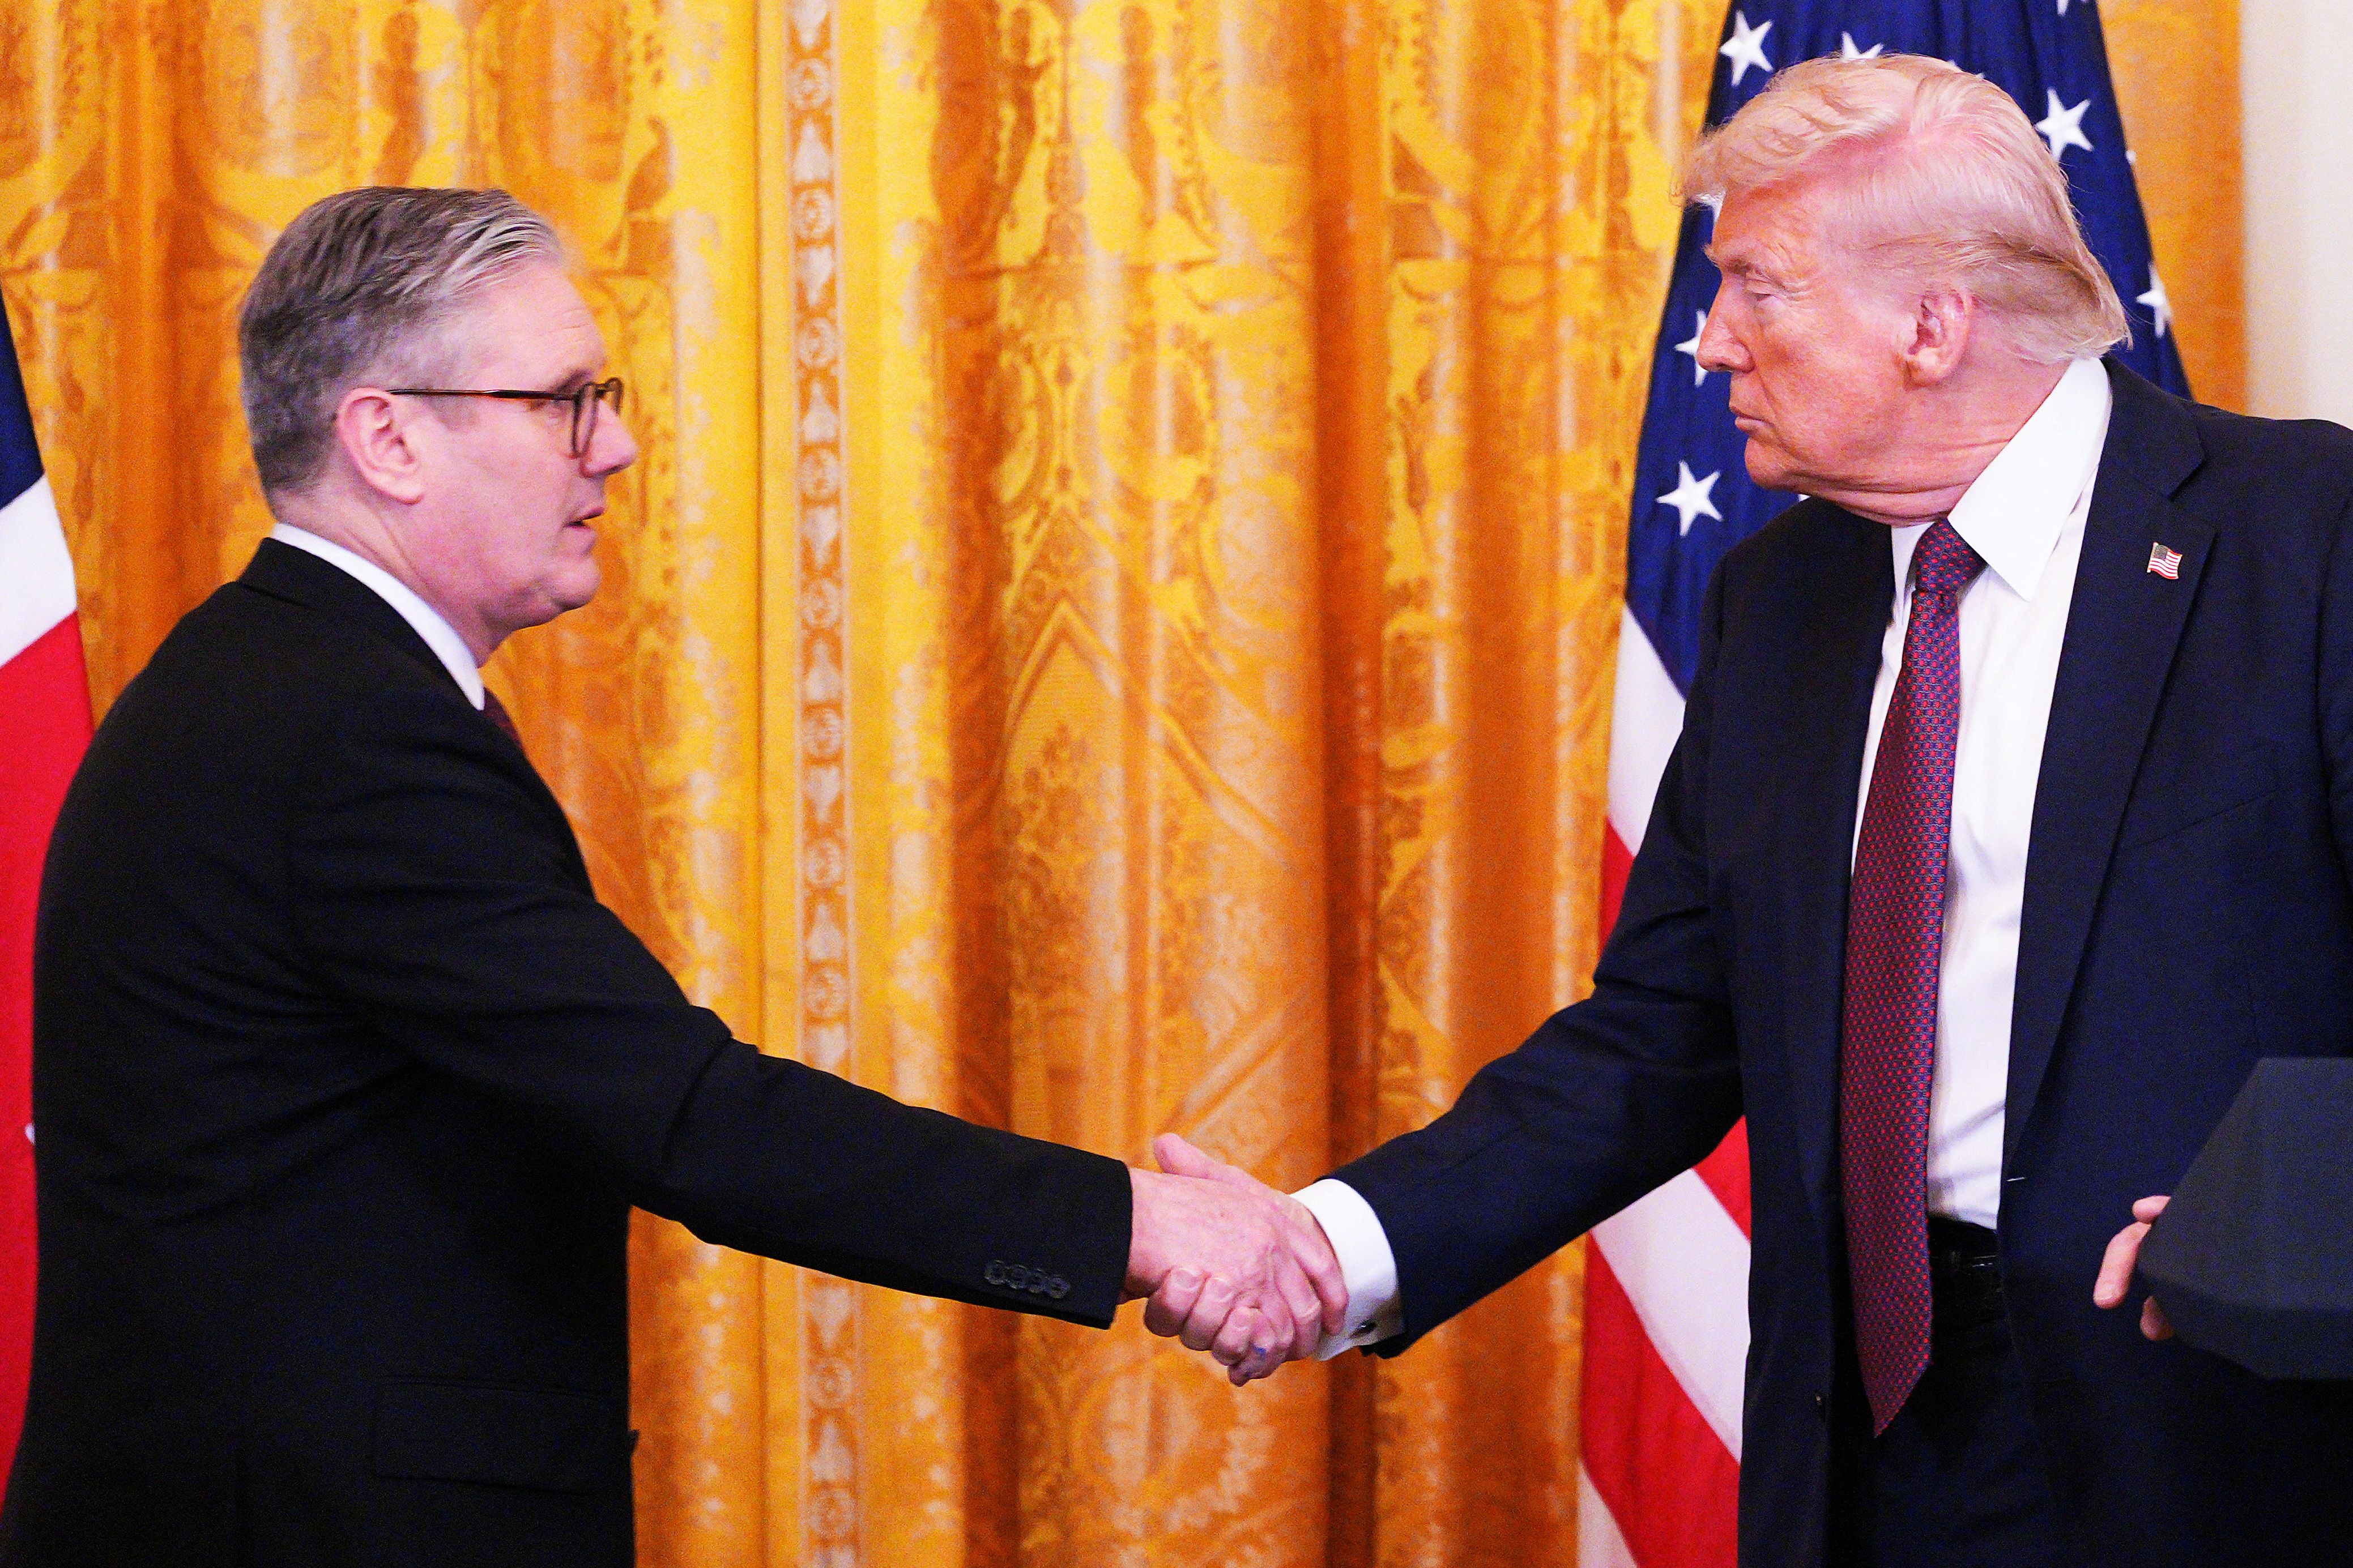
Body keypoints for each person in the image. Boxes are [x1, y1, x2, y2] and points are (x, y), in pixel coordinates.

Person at [0, 187, 1342, 1567]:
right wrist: (1140, 1222)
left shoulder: (282, 683)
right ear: (388, 438)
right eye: (560, 402)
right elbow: (692, 1116)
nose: (616, 445)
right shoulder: (345, 727)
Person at [1146, 54, 2353, 1567]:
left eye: (1755, 289)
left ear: (1931, 326)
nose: (1708, 341)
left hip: (2211, 1434)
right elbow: (1660, 1034)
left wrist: (2295, 1215)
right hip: (1857, 1443)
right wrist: (1333, 1242)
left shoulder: (2305, 536)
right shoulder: (1779, 598)